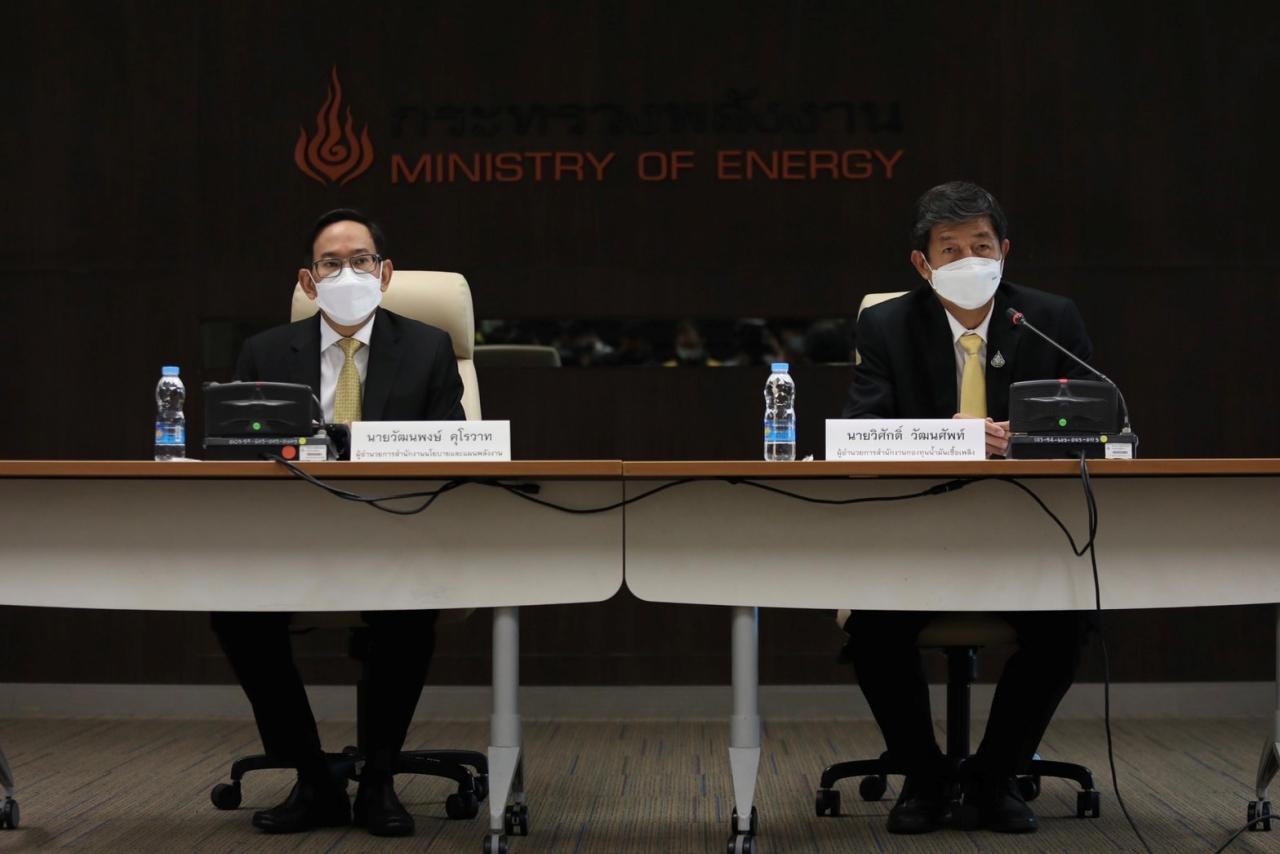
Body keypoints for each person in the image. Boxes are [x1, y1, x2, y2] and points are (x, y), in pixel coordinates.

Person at [842, 181, 1095, 835]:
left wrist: (1023, 438)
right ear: (922, 264)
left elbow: (1091, 425)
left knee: (1066, 627)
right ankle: (925, 778)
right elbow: (861, 433)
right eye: (950, 249)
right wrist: (949, 436)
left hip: (1023, 532)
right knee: (872, 631)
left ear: (1005, 251)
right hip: (918, 533)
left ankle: (994, 777)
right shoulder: (887, 325)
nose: (968, 259)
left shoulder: (1048, 318)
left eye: (981, 245)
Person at [210, 209, 465, 837]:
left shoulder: (429, 348)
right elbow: (239, 452)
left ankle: (379, 778)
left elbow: (455, 450)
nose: (347, 273)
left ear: (385, 273)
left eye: (361, 260)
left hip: (395, 533)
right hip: (292, 539)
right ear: (308, 280)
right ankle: (312, 777)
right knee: (234, 611)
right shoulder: (266, 351)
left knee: (408, 610)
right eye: (330, 263)